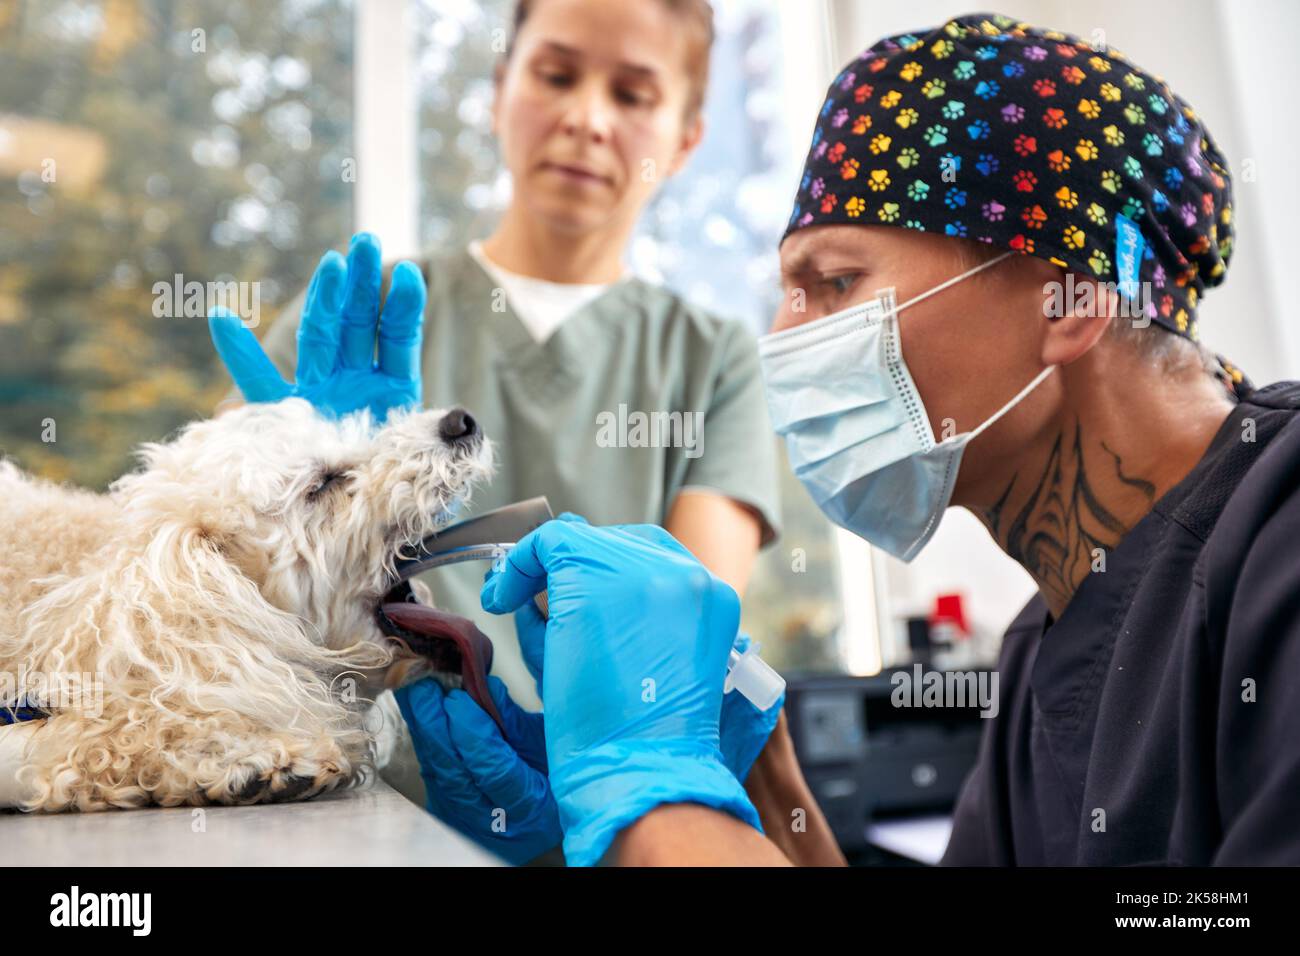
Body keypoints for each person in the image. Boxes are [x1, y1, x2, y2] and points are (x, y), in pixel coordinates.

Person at [432, 12, 1300, 866]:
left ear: (1064, 297)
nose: (784, 339)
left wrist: (653, 798)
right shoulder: (1048, 650)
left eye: (836, 281)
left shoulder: (1279, 549)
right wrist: (762, 796)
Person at [210, 0, 834, 864]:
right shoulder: (372, 314)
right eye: (555, 75)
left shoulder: (710, 354)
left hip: (606, 830)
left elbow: (683, 630)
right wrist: (324, 456)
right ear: (501, 89)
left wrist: (600, 761)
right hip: (356, 820)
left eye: (633, 93)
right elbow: (210, 573)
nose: (586, 117)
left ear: (686, 138)